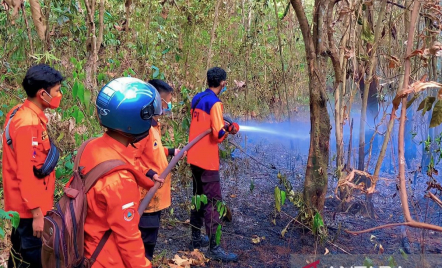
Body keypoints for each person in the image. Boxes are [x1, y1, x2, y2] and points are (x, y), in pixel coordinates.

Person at [80, 77, 161, 268]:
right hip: (107, 259)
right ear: (134, 121)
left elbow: (128, 161)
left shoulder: (90, 146)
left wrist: (149, 177)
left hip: (86, 247)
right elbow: (128, 238)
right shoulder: (120, 180)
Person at [2, 64, 64, 268]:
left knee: (19, 252)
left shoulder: (20, 112)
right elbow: (26, 173)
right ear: (42, 94)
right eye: (57, 91)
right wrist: (37, 214)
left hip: (26, 205)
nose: (59, 95)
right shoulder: (27, 123)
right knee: (33, 256)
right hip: (29, 209)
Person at [131, 79, 188, 260]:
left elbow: (152, 150)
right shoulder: (142, 128)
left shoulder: (154, 125)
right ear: (156, 101)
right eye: (166, 102)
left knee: (151, 240)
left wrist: (172, 151)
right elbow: (131, 158)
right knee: (144, 243)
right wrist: (150, 174)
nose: (169, 105)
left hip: (155, 196)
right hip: (145, 198)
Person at [187, 67, 239, 262]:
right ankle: (213, 247)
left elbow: (204, 126)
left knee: (198, 198)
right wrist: (230, 129)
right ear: (222, 83)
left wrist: (222, 127)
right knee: (214, 203)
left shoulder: (197, 99)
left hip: (194, 158)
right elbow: (217, 135)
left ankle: (194, 239)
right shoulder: (215, 103)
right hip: (208, 160)